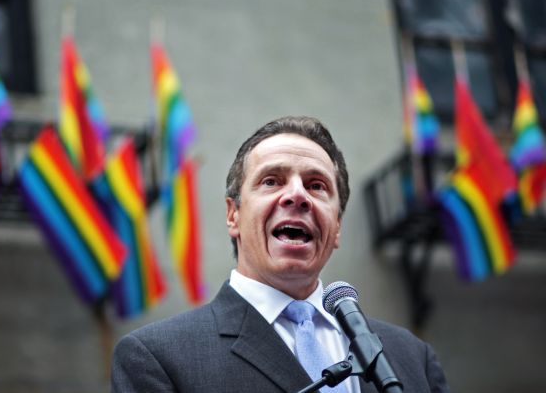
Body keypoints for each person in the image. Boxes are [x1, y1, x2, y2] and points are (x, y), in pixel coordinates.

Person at [111, 116, 449, 393]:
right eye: (272, 181)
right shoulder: (157, 357)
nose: (297, 196)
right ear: (233, 215)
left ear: (337, 227)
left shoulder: (412, 357)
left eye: (316, 185)